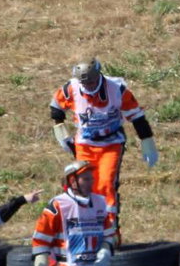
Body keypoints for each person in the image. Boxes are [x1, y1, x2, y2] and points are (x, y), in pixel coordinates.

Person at [49, 58, 157, 232]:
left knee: (105, 183)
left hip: (111, 143)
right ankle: (87, 224)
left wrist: (147, 141)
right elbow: (56, 109)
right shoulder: (71, 88)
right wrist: (61, 132)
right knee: (85, 185)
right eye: (86, 83)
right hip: (85, 144)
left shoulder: (117, 89)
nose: (90, 87)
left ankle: (109, 228)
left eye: (92, 82)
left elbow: (137, 116)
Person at [30, 161, 117, 266]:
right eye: (86, 179)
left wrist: (105, 249)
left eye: (91, 178)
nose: (91, 182)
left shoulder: (100, 202)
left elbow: (109, 234)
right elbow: (41, 240)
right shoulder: (58, 204)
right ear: (73, 181)